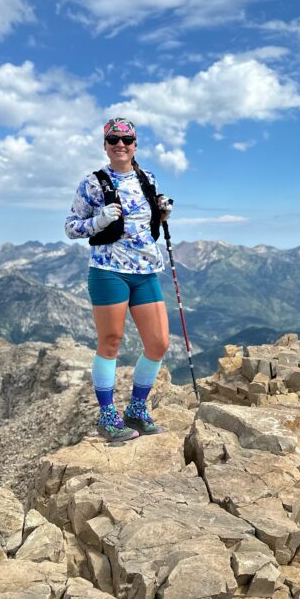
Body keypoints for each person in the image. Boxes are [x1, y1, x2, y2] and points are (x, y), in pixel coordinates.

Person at [64, 117, 173, 443]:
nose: (120, 145)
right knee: (110, 342)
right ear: (106, 145)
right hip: (108, 271)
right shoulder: (92, 184)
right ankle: (108, 415)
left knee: (159, 343)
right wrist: (98, 220)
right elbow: (70, 227)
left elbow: (147, 221)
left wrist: (161, 213)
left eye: (126, 140)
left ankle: (137, 409)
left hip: (145, 272)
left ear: (135, 144)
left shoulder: (147, 179)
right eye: (114, 140)